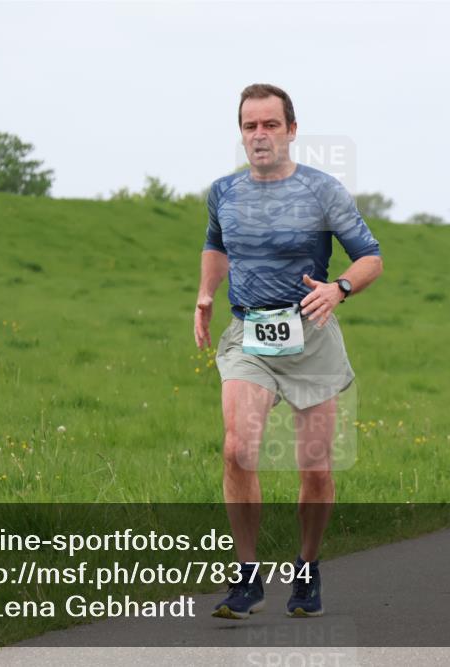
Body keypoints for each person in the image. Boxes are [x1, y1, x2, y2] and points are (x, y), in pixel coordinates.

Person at [194, 83, 383, 618]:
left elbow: (370, 257)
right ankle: (247, 576)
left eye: (270, 124)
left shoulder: (323, 191)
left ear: (292, 130)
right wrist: (206, 294)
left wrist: (339, 288)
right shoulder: (224, 192)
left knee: (316, 469)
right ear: (241, 133)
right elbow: (216, 244)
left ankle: (307, 566)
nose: (260, 135)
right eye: (250, 126)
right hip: (249, 336)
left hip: (310, 336)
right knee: (238, 449)